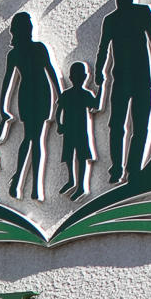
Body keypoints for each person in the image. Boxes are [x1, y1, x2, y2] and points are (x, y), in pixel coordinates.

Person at [90, 0, 151, 183]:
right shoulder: (112, 20)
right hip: (121, 78)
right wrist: (99, 71)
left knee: (139, 125)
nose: (123, 1)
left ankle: (133, 169)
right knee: (118, 125)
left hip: (141, 76)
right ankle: (118, 168)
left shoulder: (142, 13)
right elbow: (103, 48)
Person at [0, 11, 61, 199]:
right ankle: (29, 185)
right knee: (34, 140)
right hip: (33, 95)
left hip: (40, 95)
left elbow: (53, 75)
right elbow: (8, 82)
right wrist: (3, 107)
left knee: (33, 139)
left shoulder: (34, 50)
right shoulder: (18, 53)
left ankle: (27, 183)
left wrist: (61, 99)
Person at [55, 60, 98, 197]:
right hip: (69, 128)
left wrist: (103, 86)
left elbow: (95, 106)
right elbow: (58, 110)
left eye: (81, 76)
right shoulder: (66, 94)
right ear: (71, 78)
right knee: (69, 155)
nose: (79, 78)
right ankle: (72, 180)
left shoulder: (87, 94)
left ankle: (81, 185)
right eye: (76, 75)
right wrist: (60, 124)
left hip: (82, 129)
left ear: (85, 77)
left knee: (82, 155)